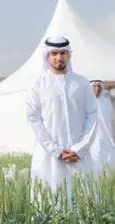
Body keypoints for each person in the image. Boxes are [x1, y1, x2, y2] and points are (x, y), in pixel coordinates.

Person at [26, 36, 98, 205]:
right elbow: (33, 118)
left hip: (79, 156)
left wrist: (78, 149)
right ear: (47, 56)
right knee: (49, 205)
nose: (59, 58)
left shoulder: (82, 83)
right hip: (49, 157)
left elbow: (93, 116)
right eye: (54, 53)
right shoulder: (37, 84)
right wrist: (56, 151)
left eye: (63, 53)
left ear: (69, 55)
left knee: (83, 206)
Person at [88, 79, 115, 174]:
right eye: (94, 86)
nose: (97, 89)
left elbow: (111, 121)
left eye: (99, 86)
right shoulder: (86, 102)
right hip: (90, 140)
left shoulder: (107, 101)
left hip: (107, 137)